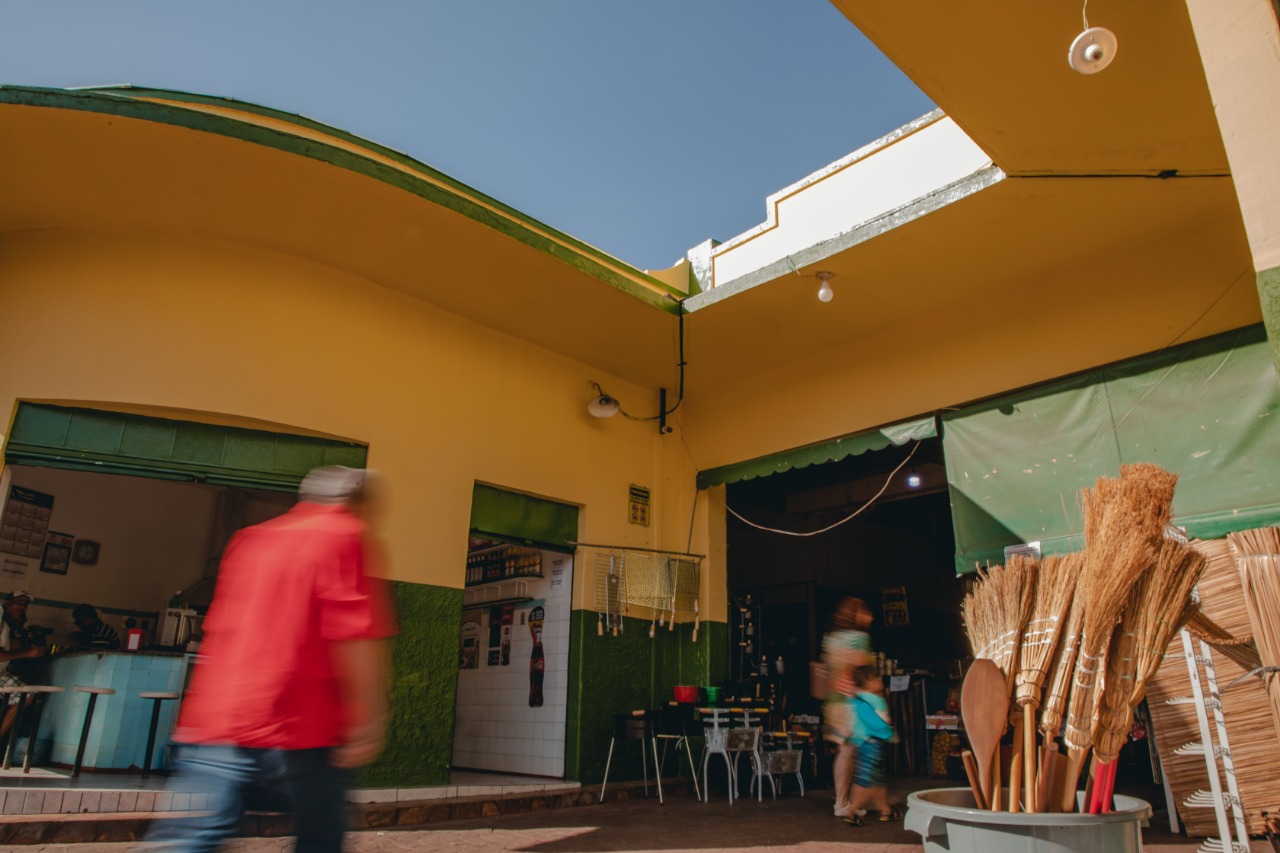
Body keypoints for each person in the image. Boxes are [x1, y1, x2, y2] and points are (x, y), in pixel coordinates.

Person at [146, 466, 396, 853]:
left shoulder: (251, 539)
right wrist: (368, 719)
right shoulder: (345, 535)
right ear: (357, 503)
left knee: (188, 841)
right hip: (299, 730)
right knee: (321, 837)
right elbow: (354, 638)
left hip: (216, 725)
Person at [822, 596, 873, 818]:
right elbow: (863, 663)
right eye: (864, 612)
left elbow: (827, 666)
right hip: (851, 701)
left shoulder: (831, 639)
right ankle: (842, 802)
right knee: (848, 751)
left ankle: (844, 800)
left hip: (833, 701)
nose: (869, 616)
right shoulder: (859, 638)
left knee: (844, 751)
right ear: (856, 614)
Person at [844, 665, 900, 826]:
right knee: (868, 781)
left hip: (864, 743)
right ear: (868, 682)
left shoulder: (857, 700)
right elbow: (877, 723)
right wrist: (890, 733)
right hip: (873, 743)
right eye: (876, 678)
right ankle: (852, 809)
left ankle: (885, 810)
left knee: (877, 779)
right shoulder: (874, 700)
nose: (880, 680)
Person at [1, 590, 46, 741]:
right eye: (19, 603)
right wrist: (27, 653)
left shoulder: (5, 625)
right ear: (7, 604)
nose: (22, 608)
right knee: (24, 695)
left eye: (25, 605)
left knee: (25, 692)